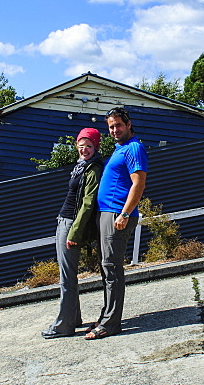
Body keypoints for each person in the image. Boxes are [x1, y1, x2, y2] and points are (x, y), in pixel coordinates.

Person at [86, 107, 147, 340]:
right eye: (111, 126)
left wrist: (124, 213)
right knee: (106, 267)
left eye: (118, 125)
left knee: (112, 269)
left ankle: (111, 324)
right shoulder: (119, 149)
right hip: (107, 214)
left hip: (117, 215)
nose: (114, 130)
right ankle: (106, 316)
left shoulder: (134, 148)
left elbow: (138, 184)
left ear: (128, 124)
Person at [41, 128, 104, 339]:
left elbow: (88, 204)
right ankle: (73, 318)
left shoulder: (93, 169)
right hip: (65, 221)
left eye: (89, 146)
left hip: (71, 225)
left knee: (66, 278)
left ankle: (63, 326)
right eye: (81, 145)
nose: (84, 150)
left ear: (96, 147)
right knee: (68, 275)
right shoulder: (80, 167)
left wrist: (74, 233)